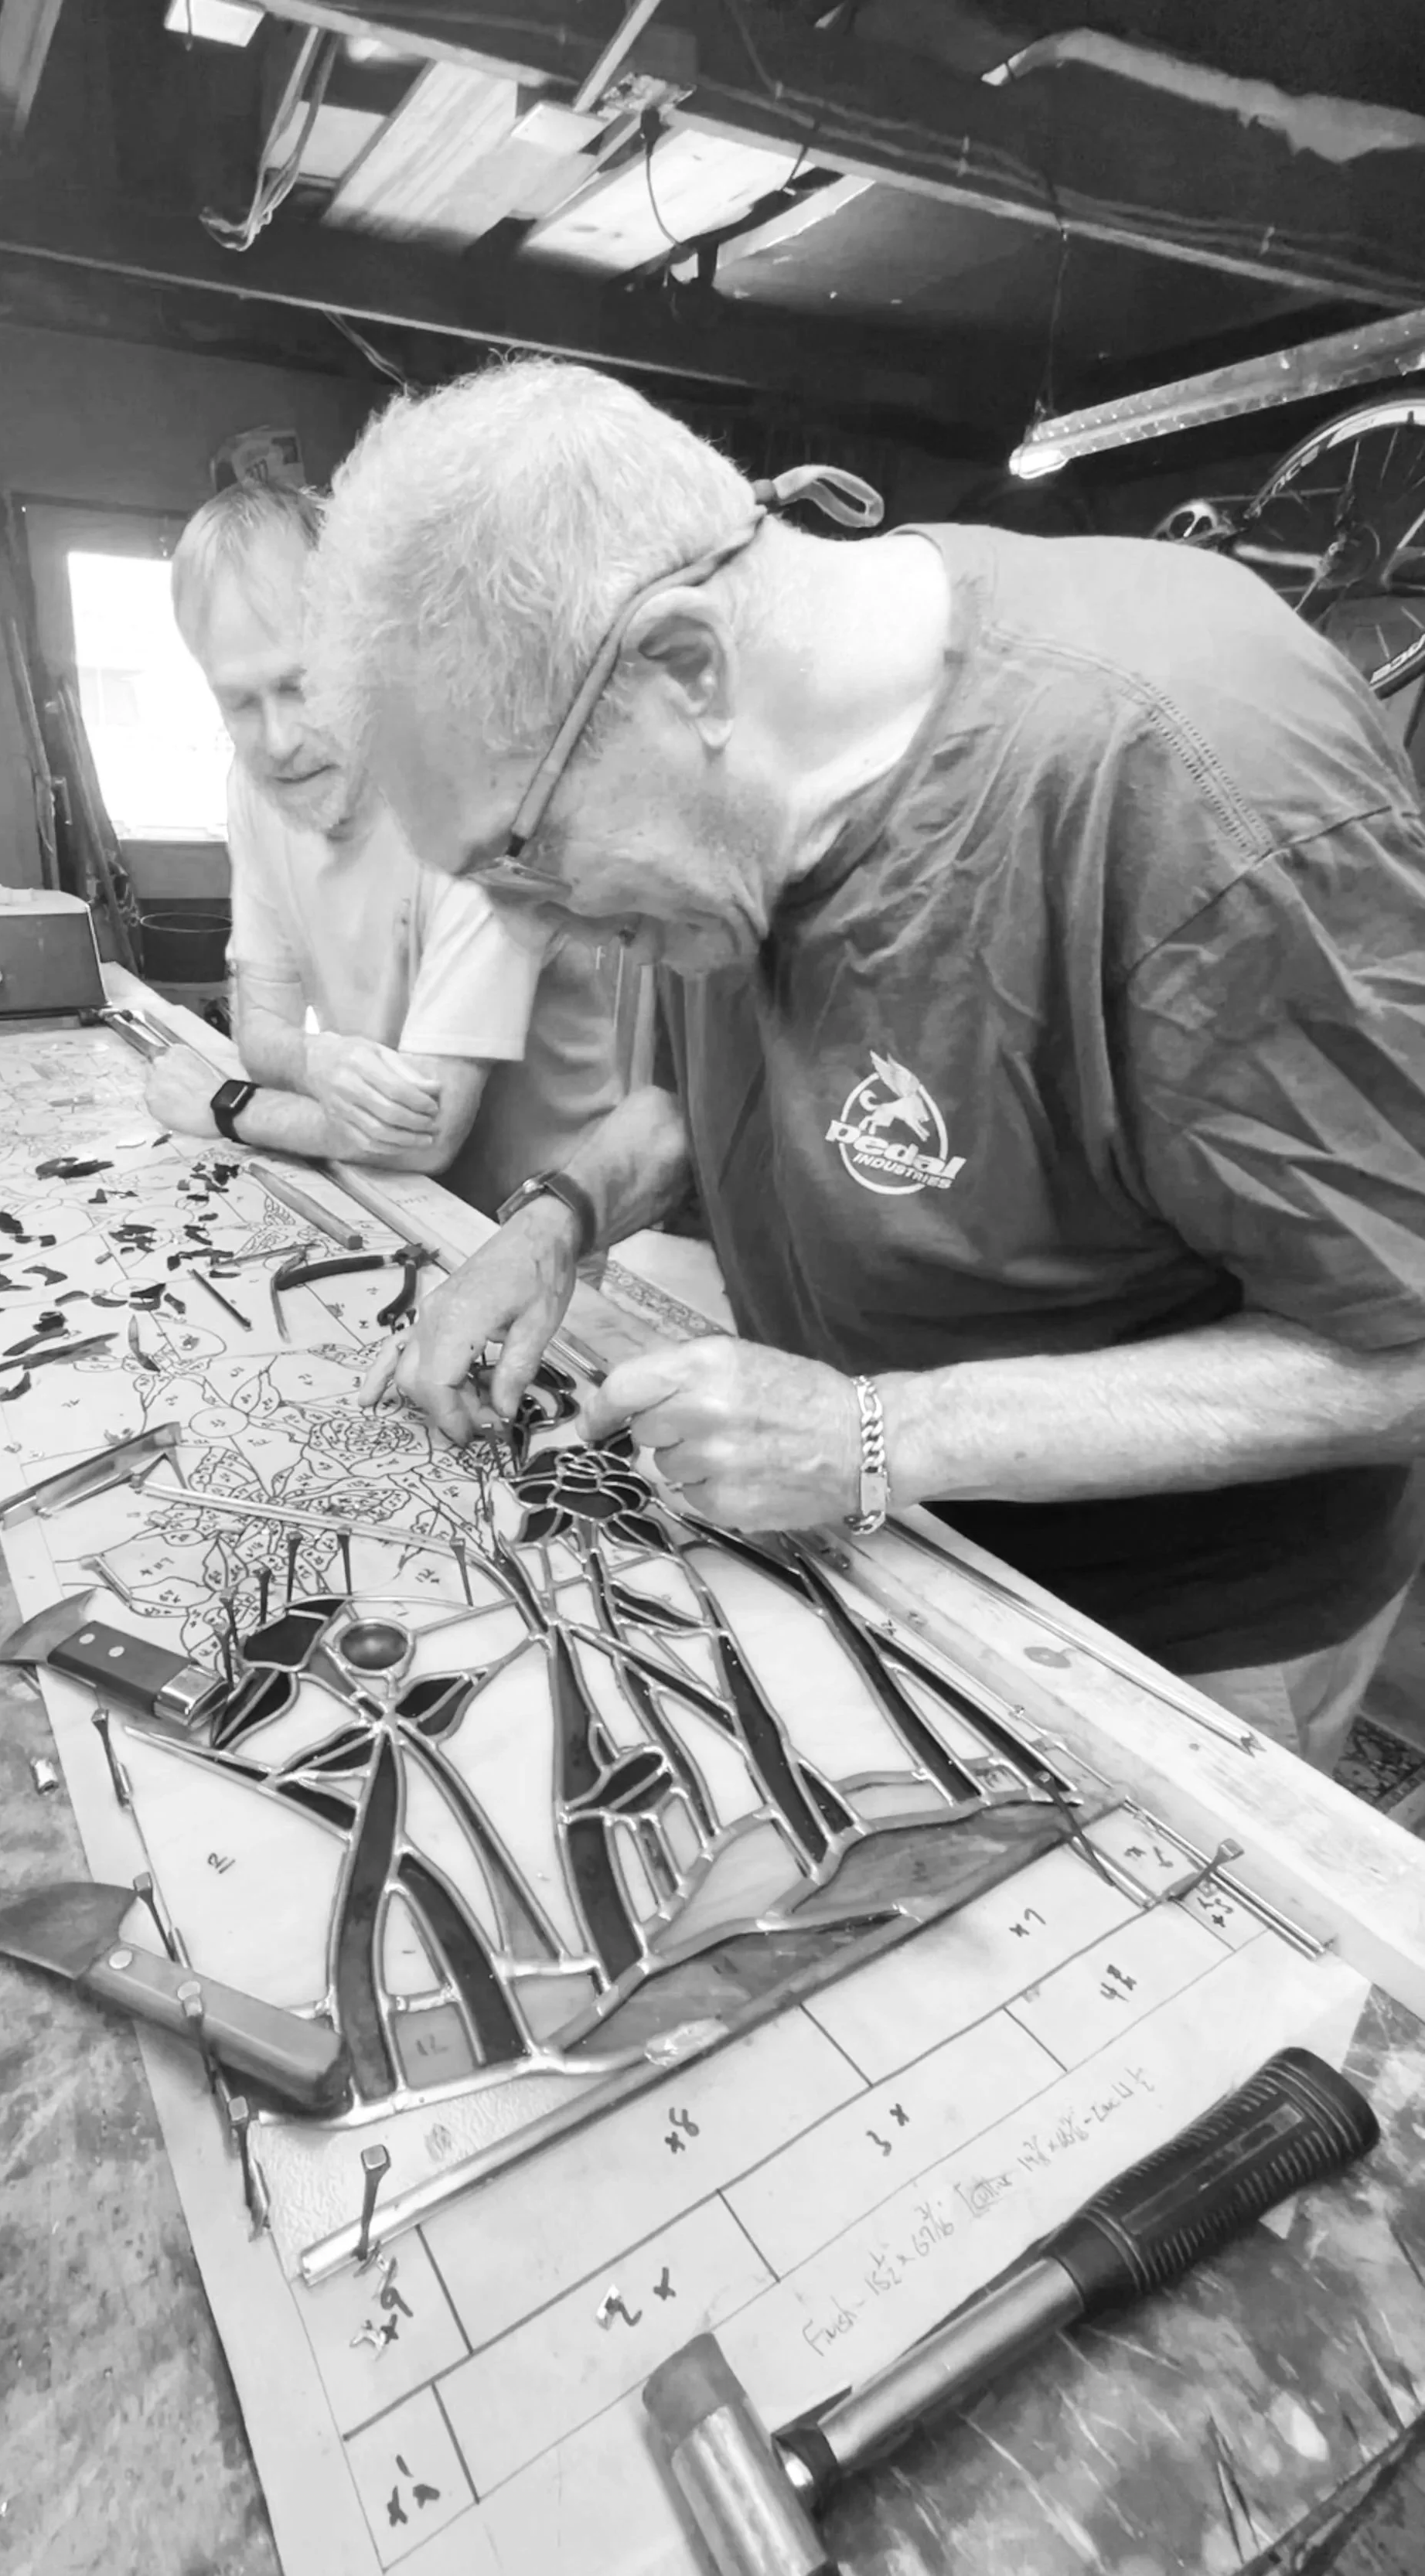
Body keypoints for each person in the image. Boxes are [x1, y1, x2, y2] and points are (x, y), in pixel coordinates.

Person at [303, 357, 1425, 1772]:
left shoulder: (1196, 785)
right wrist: (552, 1220)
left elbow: (1403, 1348)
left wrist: (882, 1436)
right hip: (882, 1546)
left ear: (685, 667)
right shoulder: (717, 822)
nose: (537, 933)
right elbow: (728, 1096)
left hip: (1179, 1637)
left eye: (519, 860)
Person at [143, 476, 620, 1215]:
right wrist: (317, 1058)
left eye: (300, 685)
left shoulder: (468, 787)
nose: (277, 741)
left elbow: (425, 1132)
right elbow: (260, 1027)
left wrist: (227, 1106)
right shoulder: (255, 785)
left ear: (362, 645)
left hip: (542, 1213)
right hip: (390, 1192)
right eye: (239, 701)